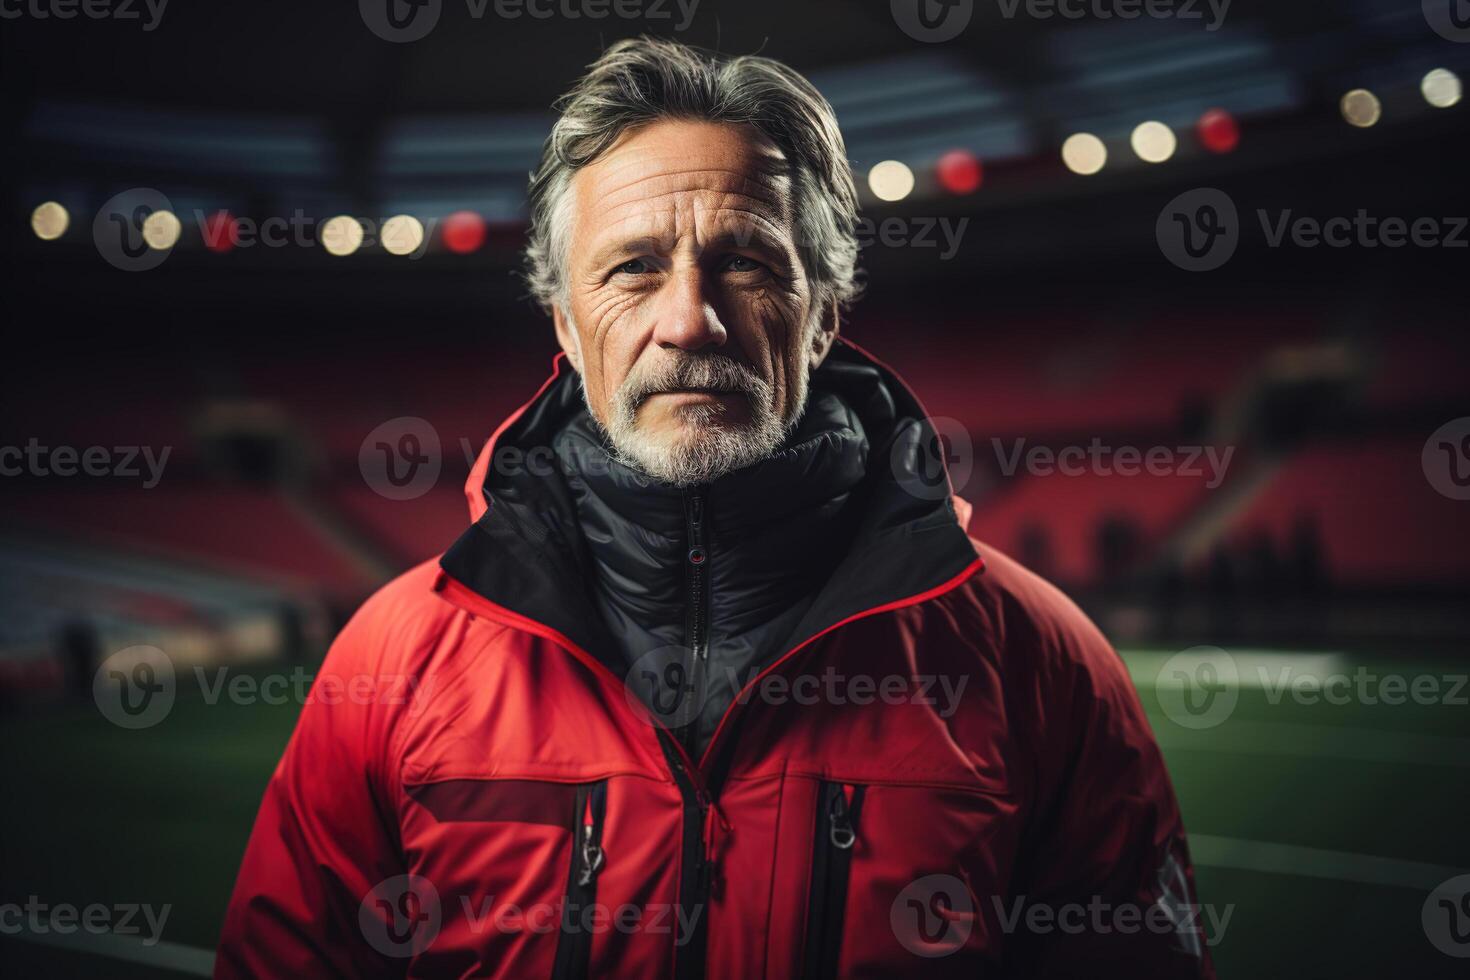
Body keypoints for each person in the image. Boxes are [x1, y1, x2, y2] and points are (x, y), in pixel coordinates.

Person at [216, 36, 1213, 979]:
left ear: (822, 314)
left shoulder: (1039, 661)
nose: (689, 316)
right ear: (565, 321)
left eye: (745, 260)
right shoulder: (391, 664)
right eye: (633, 266)